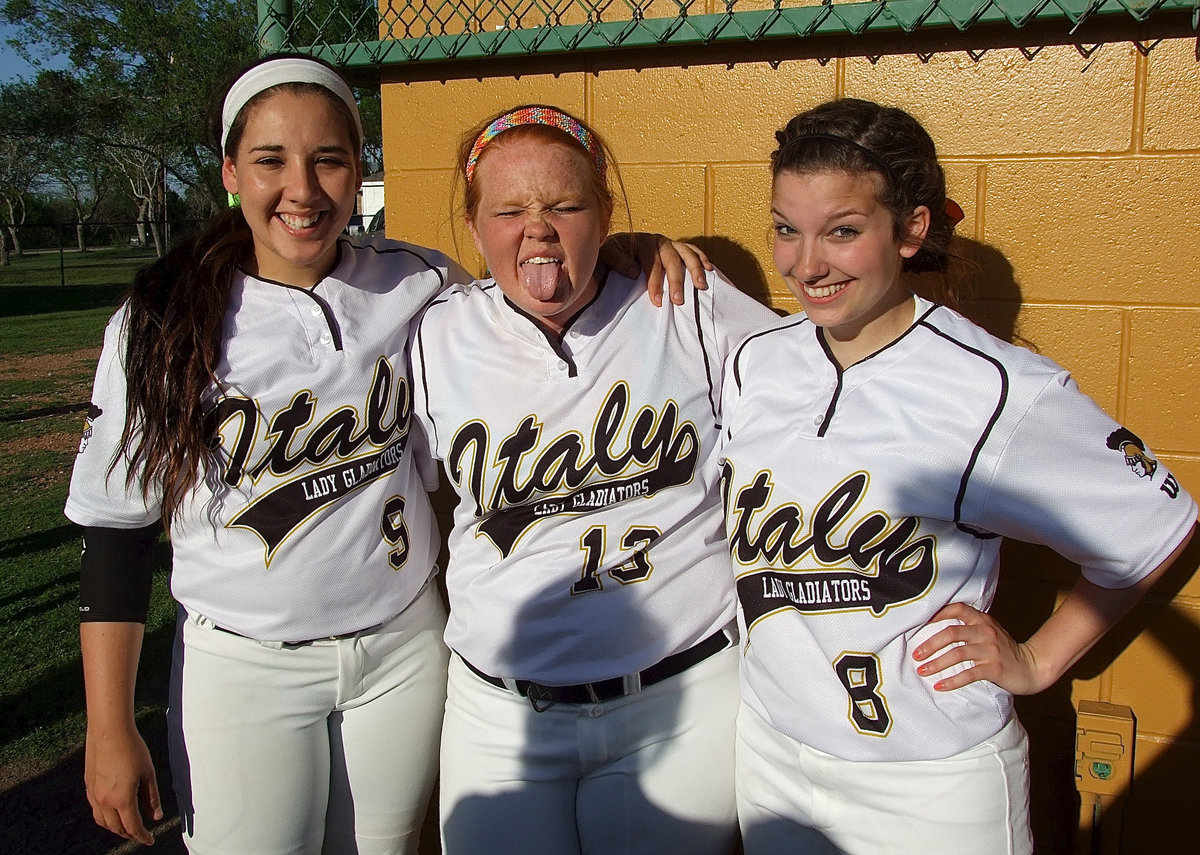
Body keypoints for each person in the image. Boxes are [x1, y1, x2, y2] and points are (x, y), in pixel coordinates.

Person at [65, 59, 702, 854]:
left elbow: (527, 289)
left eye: (328, 159)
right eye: (270, 160)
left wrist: (624, 248)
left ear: (357, 168)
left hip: (402, 647)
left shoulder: (417, 280)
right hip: (246, 659)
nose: (302, 188)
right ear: (231, 172)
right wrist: (108, 725)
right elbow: (116, 534)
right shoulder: (160, 318)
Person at [718, 97, 1197, 855]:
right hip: (774, 755)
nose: (804, 265)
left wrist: (1038, 660)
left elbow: (1154, 524)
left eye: (842, 231)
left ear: (911, 229)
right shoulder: (756, 361)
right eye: (786, 227)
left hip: (930, 781)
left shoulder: (997, 388)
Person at [408, 105, 777, 855]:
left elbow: (823, 389)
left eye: (565, 205)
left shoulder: (685, 302)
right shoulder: (435, 331)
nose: (538, 228)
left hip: (681, 697)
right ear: (475, 228)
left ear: (606, 215)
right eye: (509, 209)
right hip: (500, 711)